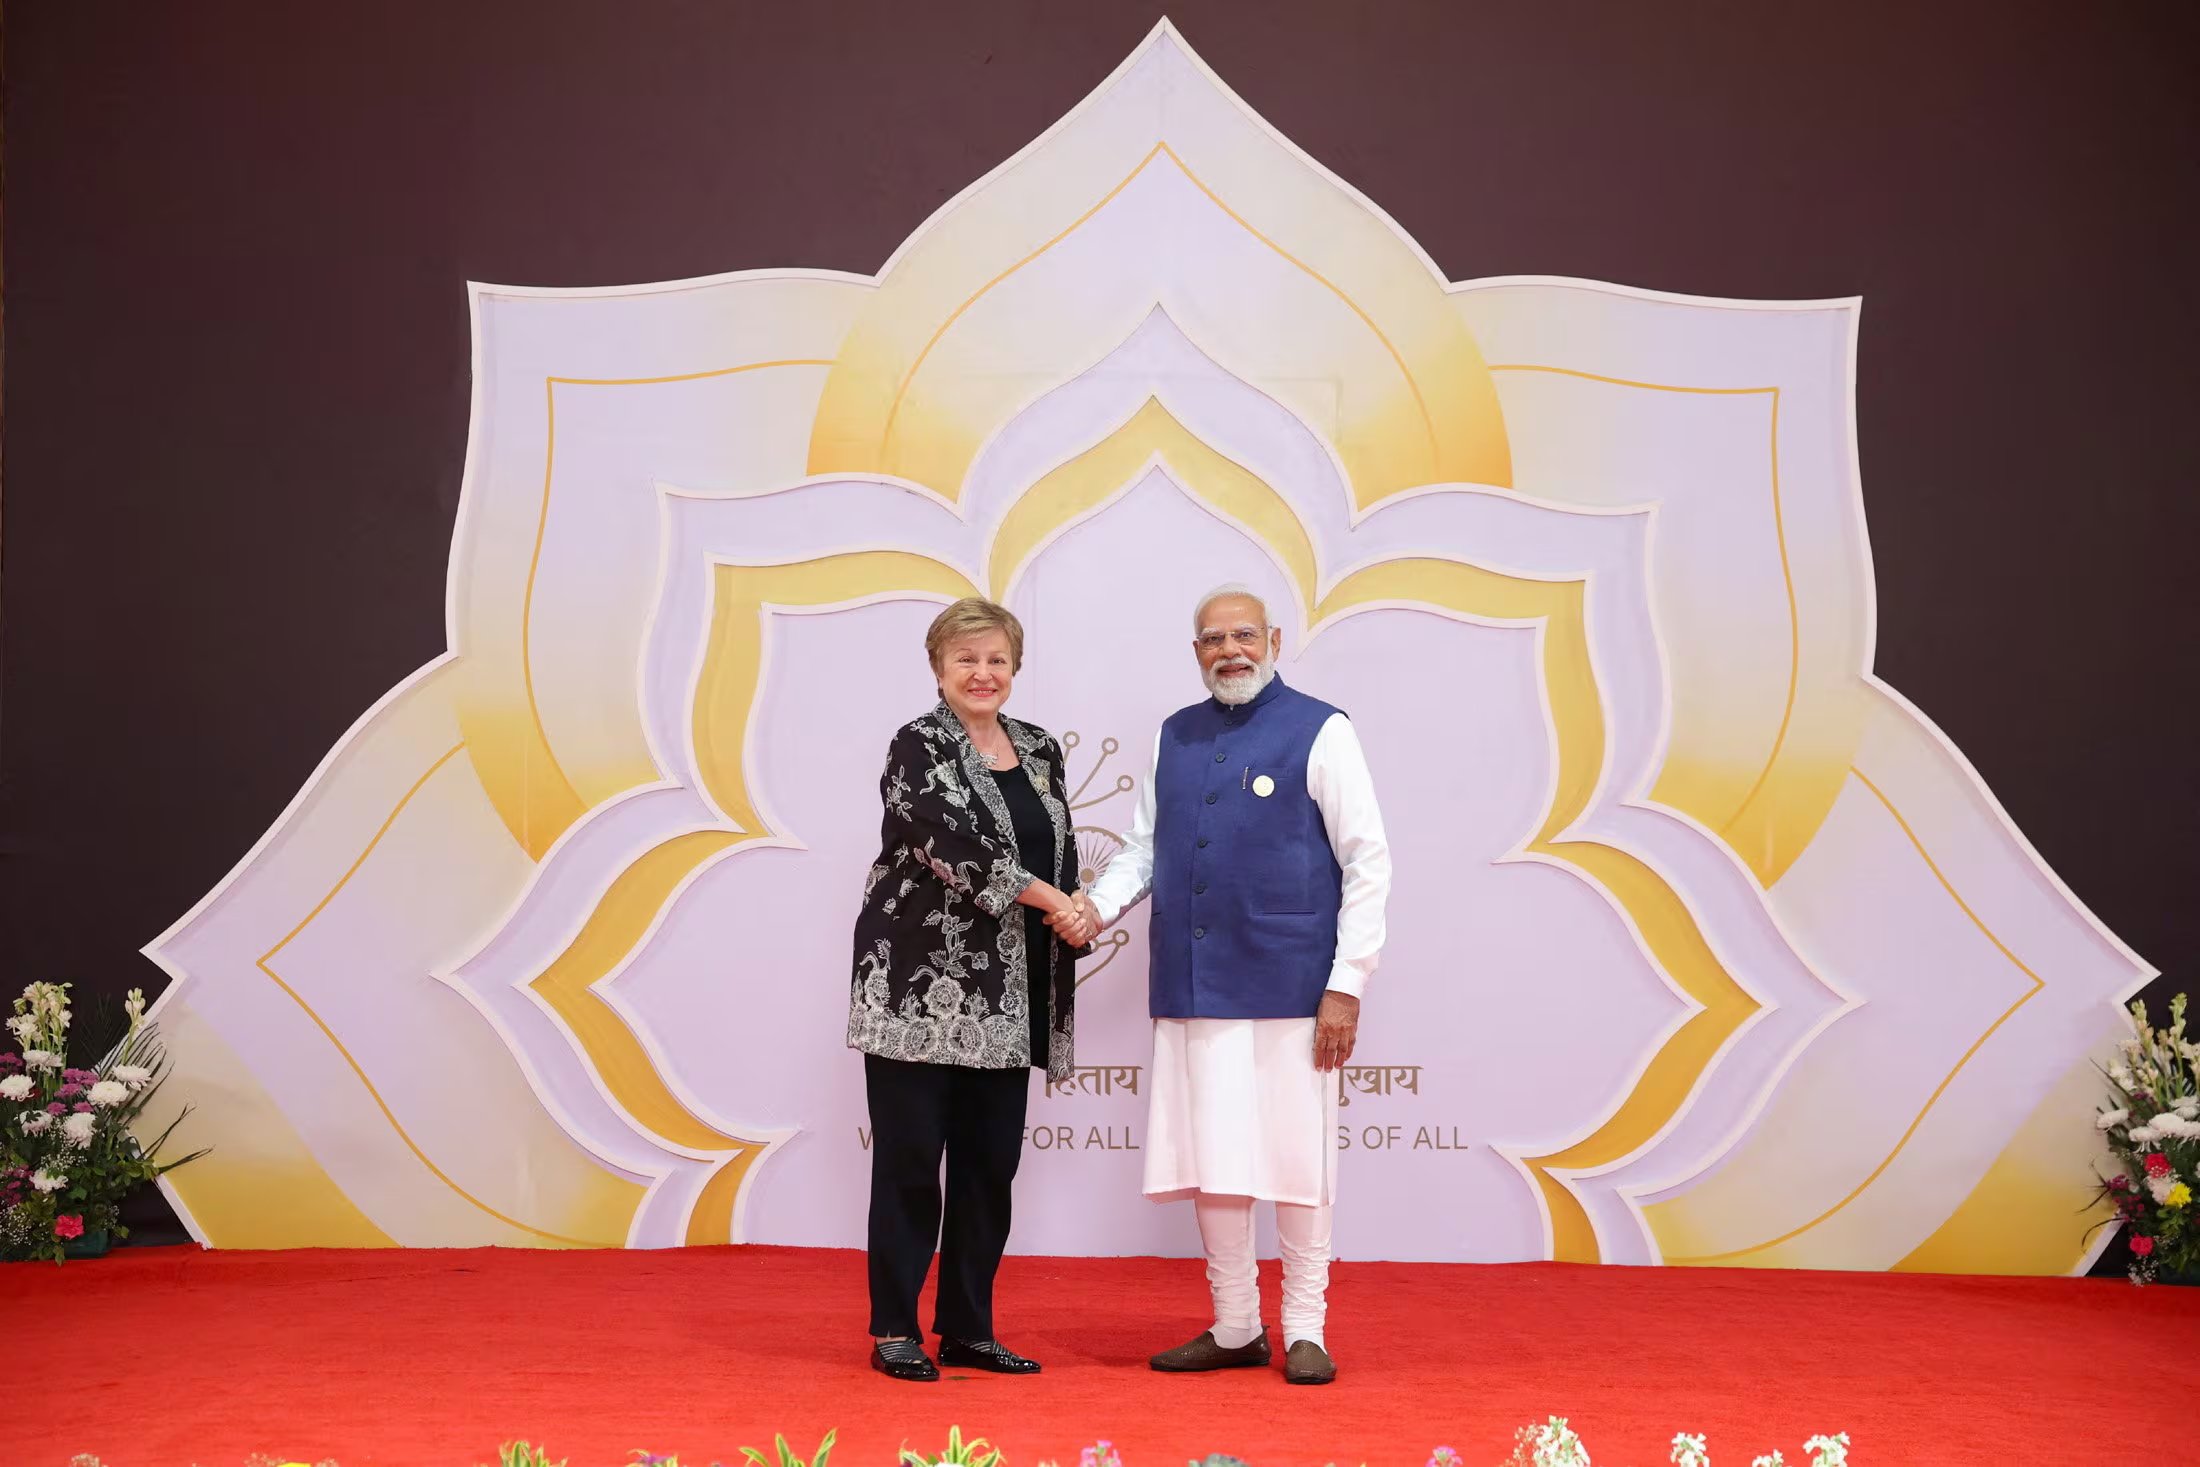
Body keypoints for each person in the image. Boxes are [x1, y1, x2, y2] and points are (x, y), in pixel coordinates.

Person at [1080, 582, 1391, 1386]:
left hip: (1295, 985)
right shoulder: (1174, 734)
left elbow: (1368, 859)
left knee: (1298, 1160)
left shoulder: (1322, 728)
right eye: (1214, 639)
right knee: (1215, 1160)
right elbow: (1143, 849)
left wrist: (1347, 983)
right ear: (1196, 652)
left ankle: (1306, 1329)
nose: (1231, 650)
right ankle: (1235, 1325)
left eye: (1244, 634)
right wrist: (1095, 908)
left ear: (1274, 640)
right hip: (1195, 983)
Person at [846, 597, 1098, 1383]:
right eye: (966, 659)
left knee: (990, 1168)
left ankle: (966, 1328)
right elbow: (954, 847)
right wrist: (1057, 903)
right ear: (938, 668)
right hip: (920, 988)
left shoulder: (1040, 747)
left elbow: (1057, 848)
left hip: (1011, 993)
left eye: (996, 659)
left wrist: (1077, 901)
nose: (982, 673)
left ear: (1014, 668)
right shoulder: (917, 745)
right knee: (911, 1164)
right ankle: (895, 1327)